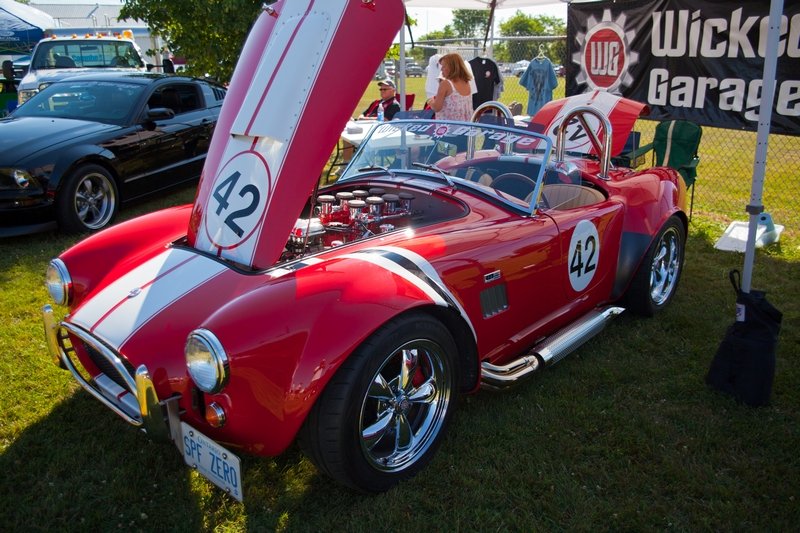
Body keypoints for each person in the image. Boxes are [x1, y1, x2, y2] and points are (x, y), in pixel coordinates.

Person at [426, 53, 473, 122]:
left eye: (444, 66)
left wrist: (430, 101)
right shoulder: (466, 82)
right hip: (465, 127)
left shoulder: (446, 84)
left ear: (452, 67)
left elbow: (437, 107)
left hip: (448, 128)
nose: (441, 69)